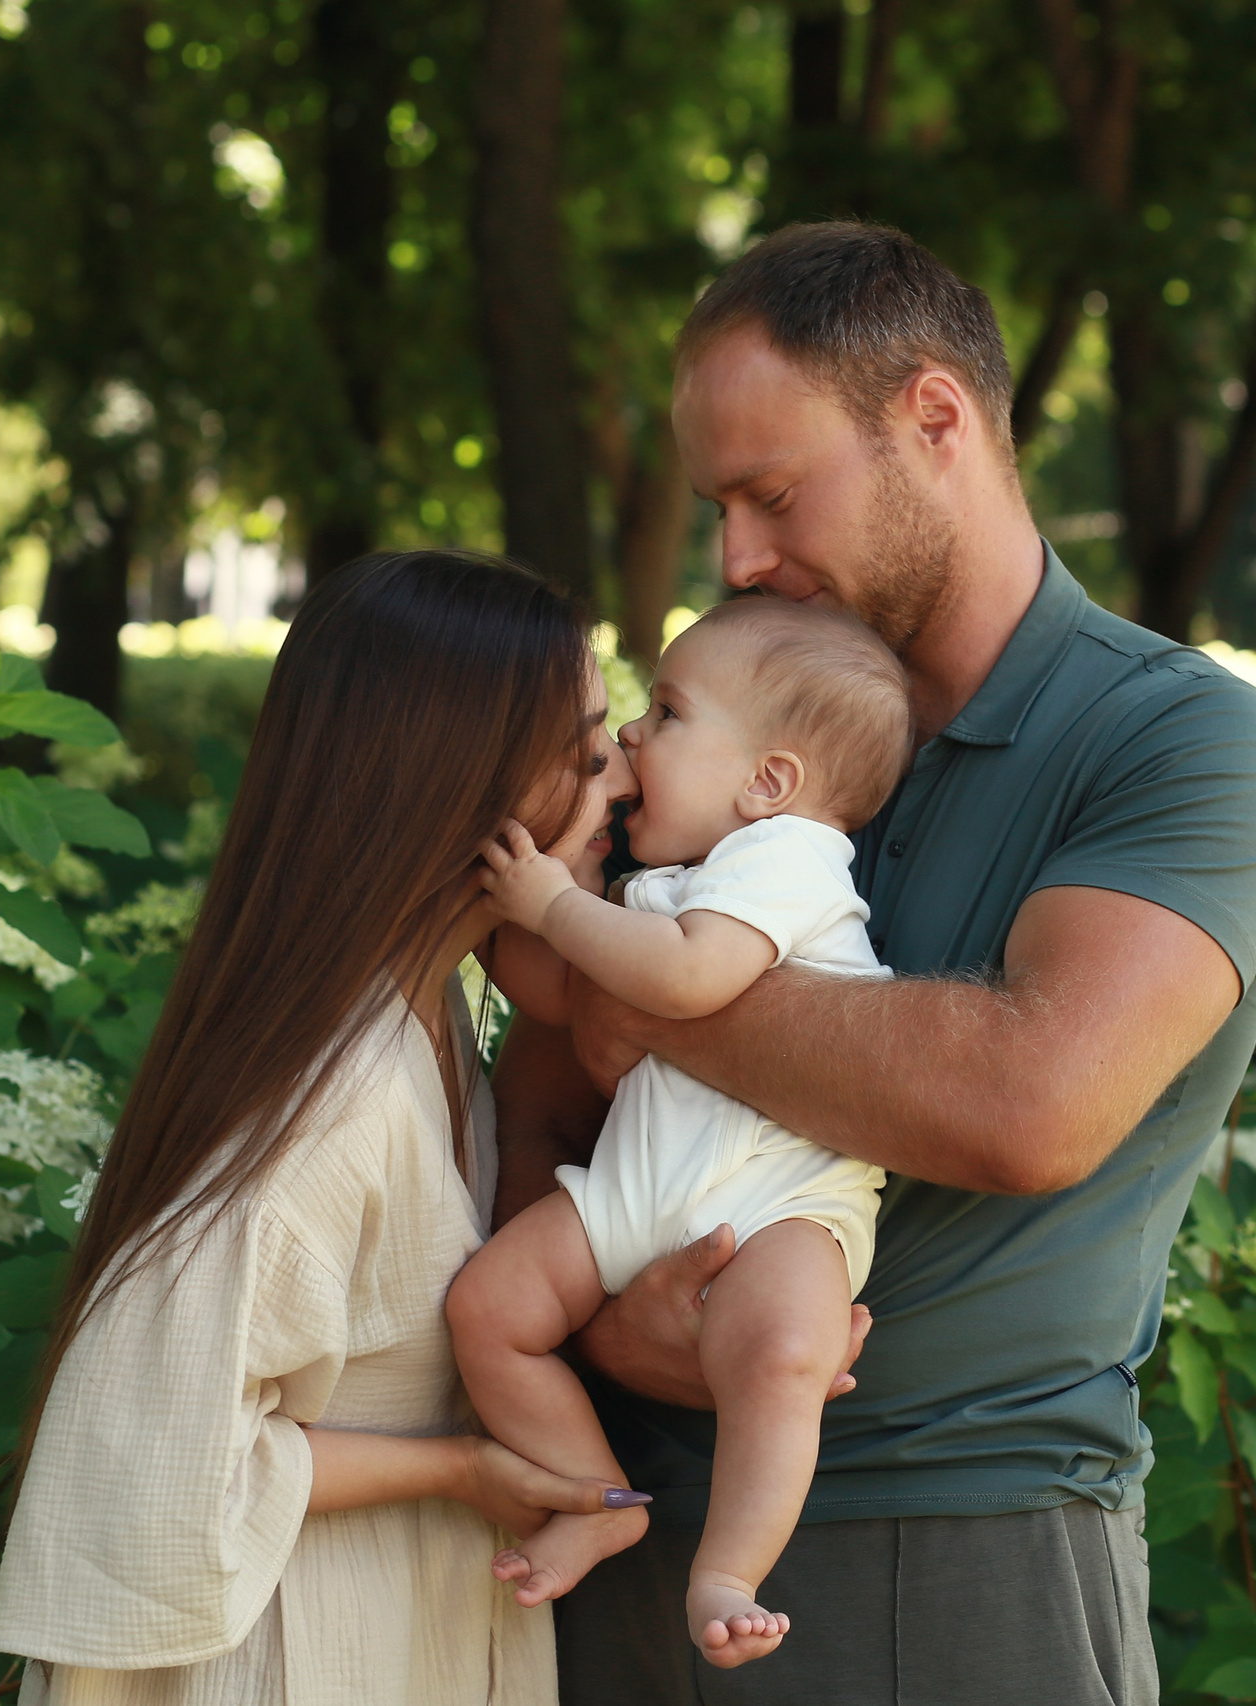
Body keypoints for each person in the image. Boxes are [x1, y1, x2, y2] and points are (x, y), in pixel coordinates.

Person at [494, 223, 1256, 1704]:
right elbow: (541, 1092)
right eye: (719, 508)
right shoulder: (716, 715)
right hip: (617, 1523)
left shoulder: (1180, 744)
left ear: (934, 418)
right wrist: (601, 1318)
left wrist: (644, 986)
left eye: (771, 494)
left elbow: (1027, 1103)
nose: (738, 557)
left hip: (962, 1537)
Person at [0, 551, 643, 1706]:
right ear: (463, 783)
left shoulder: (430, 1009)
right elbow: (162, 1462)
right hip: (295, 1647)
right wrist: (456, 1466)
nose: (622, 784)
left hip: (399, 1616)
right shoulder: (330, 1094)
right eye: (586, 756)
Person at [448, 598, 915, 1668]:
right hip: (640, 1184)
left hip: (779, 1196)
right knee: (488, 1310)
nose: (629, 733)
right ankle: (598, 1495)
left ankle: (729, 1571)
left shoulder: (789, 857)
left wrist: (551, 904)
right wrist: (500, 903)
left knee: (781, 1355)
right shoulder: (683, 878)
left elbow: (689, 978)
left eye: (666, 712)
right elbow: (563, 995)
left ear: (769, 782)